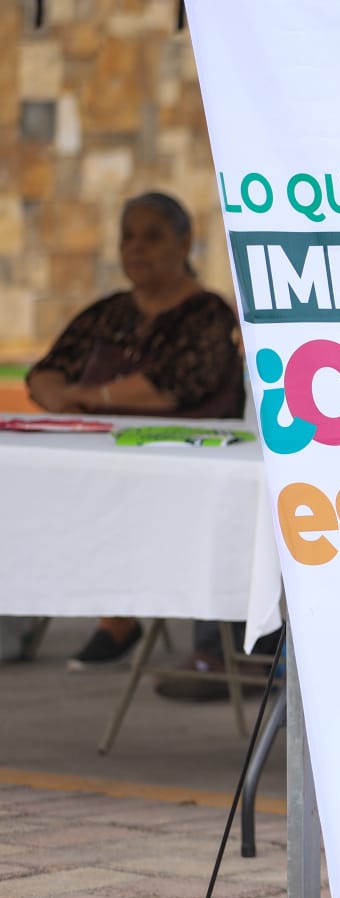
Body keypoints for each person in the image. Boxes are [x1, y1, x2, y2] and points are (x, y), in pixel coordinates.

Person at [25, 191, 245, 670]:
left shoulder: (207, 313)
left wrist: (91, 396)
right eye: (127, 237)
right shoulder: (110, 312)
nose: (136, 248)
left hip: (187, 469)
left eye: (152, 236)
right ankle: (33, 620)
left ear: (185, 242)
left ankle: (213, 646)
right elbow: (46, 371)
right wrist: (62, 395)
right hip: (101, 464)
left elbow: (174, 387)